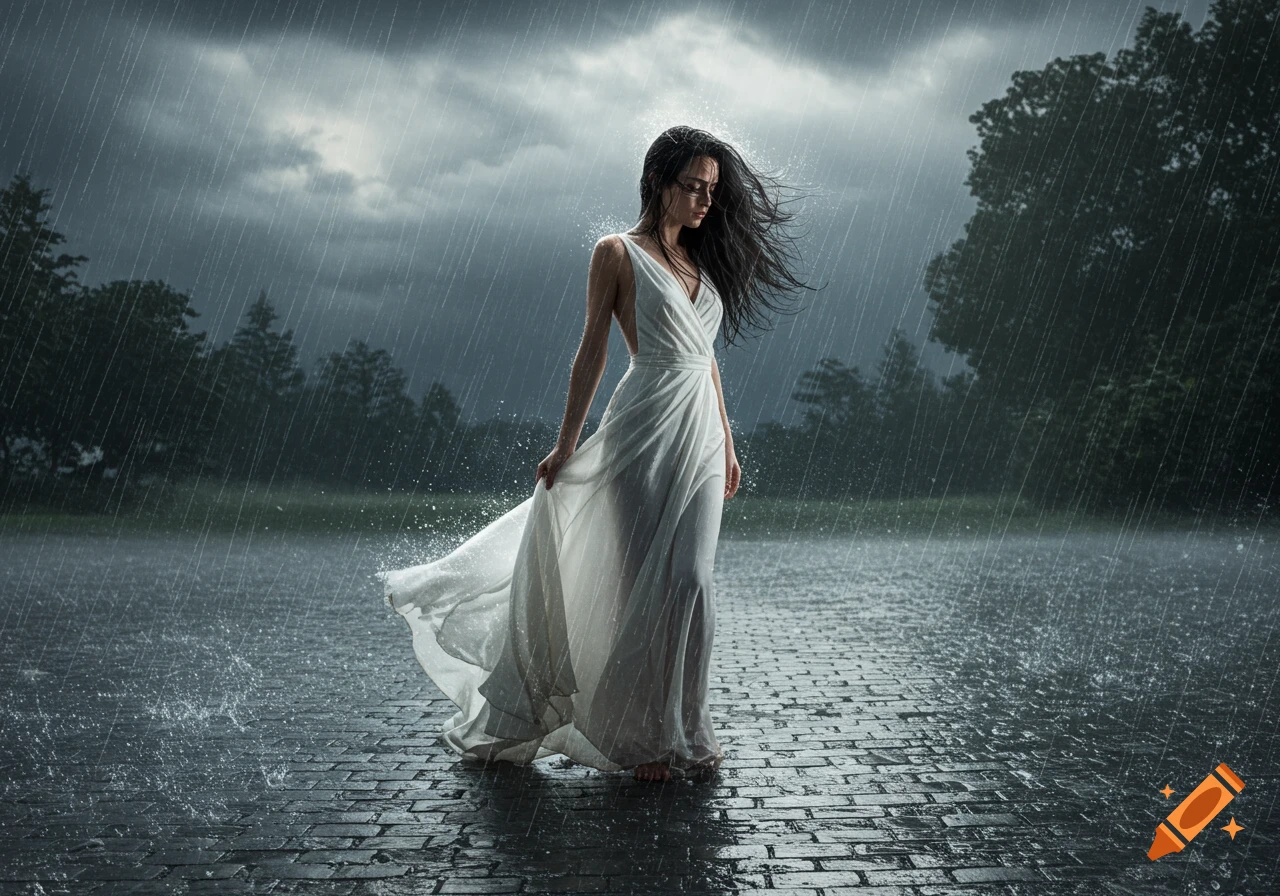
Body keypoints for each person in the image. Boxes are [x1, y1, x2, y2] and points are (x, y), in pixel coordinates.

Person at [377, 125, 816, 783]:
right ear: (659, 183)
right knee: (640, 587)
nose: (703, 200)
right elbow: (593, 352)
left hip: (699, 433)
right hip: (641, 427)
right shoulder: (616, 252)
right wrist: (566, 443)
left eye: (711, 189)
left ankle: (686, 730)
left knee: (693, 583)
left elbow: (707, 359)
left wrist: (726, 440)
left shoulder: (701, 263)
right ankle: (642, 741)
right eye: (692, 186)